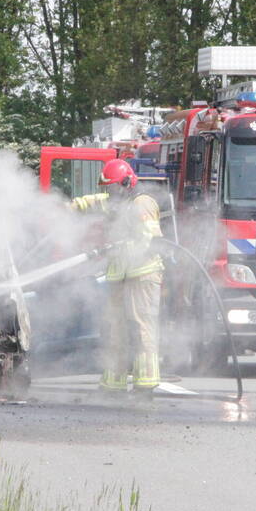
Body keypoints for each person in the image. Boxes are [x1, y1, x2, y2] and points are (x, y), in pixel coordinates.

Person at [70, 159, 164, 394]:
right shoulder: (115, 202)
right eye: (108, 189)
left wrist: (122, 246)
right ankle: (114, 382)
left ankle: (145, 383)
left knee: (141, 326)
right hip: (119, 274)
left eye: (113, 188)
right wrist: (65, 207)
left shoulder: (142, 204)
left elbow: (152, 240)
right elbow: (90, 202)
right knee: (114, 327)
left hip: (142, 274)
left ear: (126, 183)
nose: (109, 193)